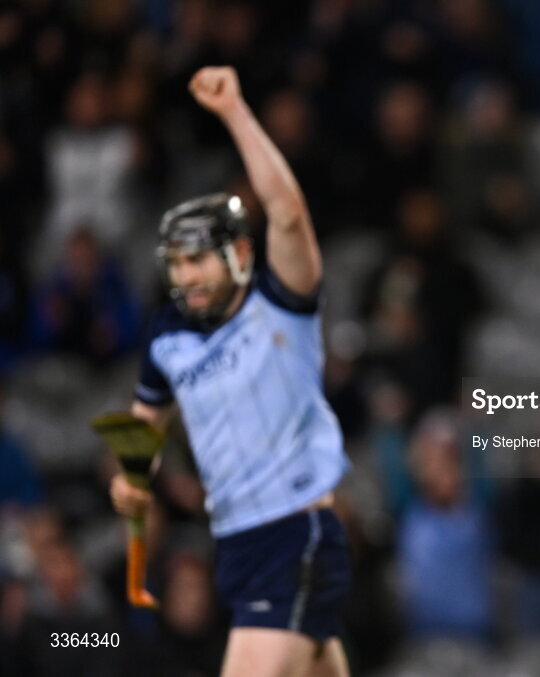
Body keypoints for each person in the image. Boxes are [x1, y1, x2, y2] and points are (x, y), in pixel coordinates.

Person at [109, 67, 352, 677]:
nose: (185, 277)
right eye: (177, 264)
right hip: (236, 543)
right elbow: (143, 425)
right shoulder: (167, 336)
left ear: (239, 254)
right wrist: (132, 477)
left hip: (295, 531)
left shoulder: (283, 302)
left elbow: (289, 216)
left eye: (198, 261)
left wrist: (236, 111)